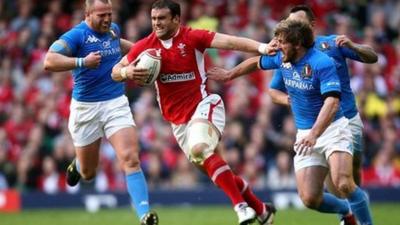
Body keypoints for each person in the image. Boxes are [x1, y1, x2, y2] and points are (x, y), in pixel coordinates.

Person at [111, 1, 276, 225]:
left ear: (176, 19)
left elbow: (229, 41)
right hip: (178, 123)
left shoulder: (192, 37)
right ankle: (262, 210)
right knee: (218, 172)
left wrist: (262, 47)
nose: (156, 23)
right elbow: (115, 72)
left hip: (205, 106)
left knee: (200, 149)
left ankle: (241, 208)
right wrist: (127, 71)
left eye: (162, 18)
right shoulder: (145, 46)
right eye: (153, 19)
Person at [207, 19, 373, 225]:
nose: (276, 45)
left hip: (333, 129)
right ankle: (346, 212)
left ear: (297, 44)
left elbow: (331, 102)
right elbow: (256, 62)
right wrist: (230, 74)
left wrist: (314, 134)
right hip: (305, 133)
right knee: (310, 198)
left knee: (344, 183)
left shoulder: (322, 62)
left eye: (281, 41)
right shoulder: (282, 57)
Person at [43, 1, 158, 225]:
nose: (107, 19)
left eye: (110, 14)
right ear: (87, 14)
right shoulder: (77, 36)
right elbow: (49, 61)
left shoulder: (113, 29)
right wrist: (82, 62)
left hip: (115, 103)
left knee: (130, 158)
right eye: (101, 15)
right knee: (88, 173)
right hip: (86, 108)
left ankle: (144, 215)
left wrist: (144, 52)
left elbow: (119, 44)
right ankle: (77, 164)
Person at [270, 4, 378, 188]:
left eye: (298, 23)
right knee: (335, 179)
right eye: (290, 23)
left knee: (353, 170)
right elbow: (273, 91)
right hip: (317, 124)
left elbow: (372, 57)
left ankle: (355, 203)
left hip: (348, 118)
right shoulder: (289, 55)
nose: (293, 28)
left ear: (311, 25)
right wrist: (288, 99)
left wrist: (353, 46)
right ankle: (348, 212)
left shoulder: (333, 44)